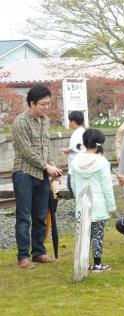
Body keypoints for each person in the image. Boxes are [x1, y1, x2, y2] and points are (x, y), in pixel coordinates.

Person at [12, 84, 63, 269]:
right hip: (24, 173)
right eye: (43, 104)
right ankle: (23, 256)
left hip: (42, 174)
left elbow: (46, 146)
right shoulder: (20, 122)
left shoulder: (46, 121)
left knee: (41, 215)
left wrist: (52, 165)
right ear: (32, 103)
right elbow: (27, 151)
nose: (46, 107)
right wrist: (46, 166)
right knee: (24, 216)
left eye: (48, 104)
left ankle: (39, 253)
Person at [71, 128, 116, 272]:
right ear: (99, 144)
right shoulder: (102, 162)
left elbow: (73, 184)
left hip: (82, 202)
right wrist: (112, 207)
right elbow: (107, 187)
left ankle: (83, 263)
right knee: (98, 235)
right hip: (98, 203)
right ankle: (97, 264)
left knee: (83, 234)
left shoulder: (76, 161)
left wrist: (78, 198)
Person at [62, 111, 85, 196]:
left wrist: (65, 150)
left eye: (69, 121)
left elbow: (76, 147)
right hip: (78, 163)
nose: (69, 123)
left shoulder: (78, 133)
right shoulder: (82, 131)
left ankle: (81, 205)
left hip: (76, 164)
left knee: (71, 184)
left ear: (73, 122)